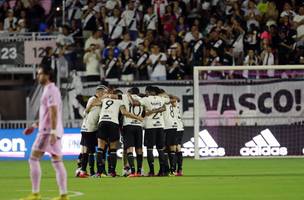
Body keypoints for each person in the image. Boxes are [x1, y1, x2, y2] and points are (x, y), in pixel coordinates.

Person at [21, 66, 68, 200]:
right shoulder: (51, 90)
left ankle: (35, 193)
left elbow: (53, 111)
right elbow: (47, 115)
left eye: (40, 73)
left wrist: (52, 131)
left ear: (47, 75)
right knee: (57, 161)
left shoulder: (50, 90)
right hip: (53, 130)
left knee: (33, 158)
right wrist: (35, 125)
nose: (37, 76)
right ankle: (63, 195)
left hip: (48, 132)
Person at [95, 89, 144, 177]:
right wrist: (138, 117)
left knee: (100, 148)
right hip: (114, 123)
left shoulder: (104, 100)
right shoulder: (120, 101)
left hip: (102, 122)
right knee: (113, 149)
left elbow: (95, 103)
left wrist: (104, 96)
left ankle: (100, 172)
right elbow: (124, 112)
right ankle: (112, 172)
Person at [78, 85, 108, 178]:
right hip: (89, 129)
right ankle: (84, 170)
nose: (105, 95)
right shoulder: (93, 99)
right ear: (99, 93)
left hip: (90, 129)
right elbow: (87, 110)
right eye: (104, 93)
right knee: (89, 151)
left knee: (90, 150)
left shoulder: (96, 102)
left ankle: (87, 170)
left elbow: (85, 112)